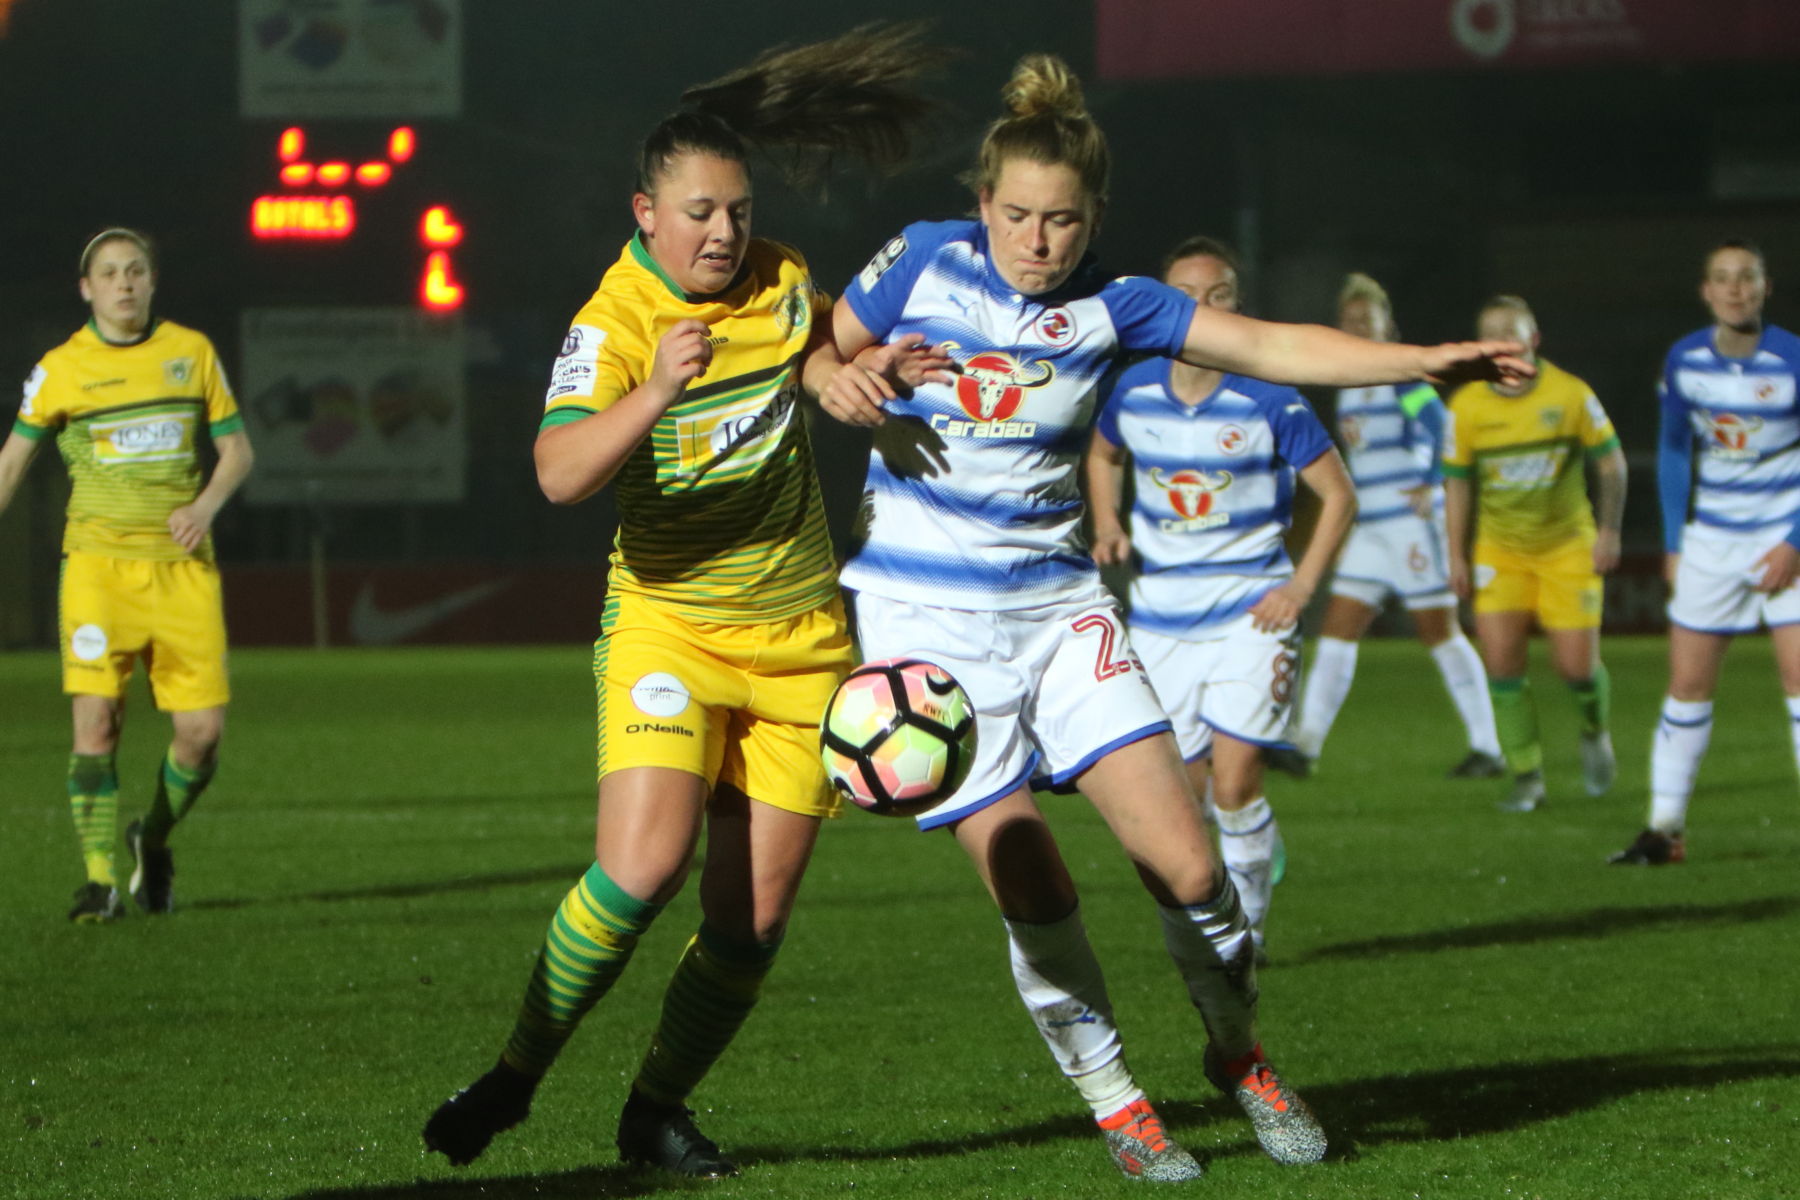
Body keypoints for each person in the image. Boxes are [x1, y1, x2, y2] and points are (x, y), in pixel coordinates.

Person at [821, 54, 1528, 1181]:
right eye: (1015, 215)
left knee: (1194, 873)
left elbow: (1280, 346)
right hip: (924, 635)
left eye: (1061, 220)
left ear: (1094, 217)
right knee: (1035, 886)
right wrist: (829, 378)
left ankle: (1239, 1056)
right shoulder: (917, 261)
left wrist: (1424, 360)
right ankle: (1115, 1101)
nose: (1036, 240)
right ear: (981, 205)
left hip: (1058, 614)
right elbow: (817, 341)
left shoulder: (1123, 306)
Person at [419, 27, 931, 1178]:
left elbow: (812, 340)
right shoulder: (612, 325)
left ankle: (654, 1109)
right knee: (639, 872)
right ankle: (515, 1074)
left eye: (738, 211)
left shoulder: (782, 277)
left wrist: (848, 372)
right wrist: (654, 391)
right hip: (670, 626)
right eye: (700, 212)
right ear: (645, 213)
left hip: (802, 646)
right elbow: (558, 475)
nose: (724, 233)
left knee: (749, 926)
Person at [1085, 236, 1357, 964]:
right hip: (1160, 621)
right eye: (1187, 296)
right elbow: (1102, 452)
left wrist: (1300, 586)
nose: (1202, 310)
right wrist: (1107, 521)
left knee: (1237, 783)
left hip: (1249, 614)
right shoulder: (1134, 388)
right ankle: (1241, 885)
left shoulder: (1270, 397)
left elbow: (1338, 495)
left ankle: (1249, 939)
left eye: (1220, 295)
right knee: (1190, 802)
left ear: (1239, 307)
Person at [0, 228, 254, 923]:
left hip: (182, 573)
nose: (124, 283)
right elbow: (13, 462)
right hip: (97, 570)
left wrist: (204, 506)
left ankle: (154, 836)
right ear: (88, 289)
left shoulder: (190, 352)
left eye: (135, 270)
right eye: (109, 273)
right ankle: (98, 882)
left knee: (201, 736)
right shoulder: (61, 368)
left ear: (151, 280)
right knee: (98, 721)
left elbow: (236, 452)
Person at [1613, 240, 1800, 865]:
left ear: (1765, 287)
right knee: (1688, 683)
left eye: (1746, 278)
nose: (1735, 289)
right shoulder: (1685, 359)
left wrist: (1794, 541)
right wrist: (1673, 542)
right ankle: (1664, 831)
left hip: (1784, 536)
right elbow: (1673, 452)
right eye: (1722, 279)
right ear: (1706, 291)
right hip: (1711, 541)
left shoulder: (1793, 358)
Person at [1277, 273, 1503, 779]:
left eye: (1367, 318)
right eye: (1350, 319)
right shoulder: (1352, 384)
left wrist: (1430, 482)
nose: (1357, 326)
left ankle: (1488, 747)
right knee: (1337, 628)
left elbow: (1440, 427)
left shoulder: (1402, 378)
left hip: (1409, 524)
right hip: (1370, 528)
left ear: (1388, 326)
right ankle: (1306, 745)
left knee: (1437, 631)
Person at [1443, 295, 1626, 813]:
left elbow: (1612, 466)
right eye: (1493, 337)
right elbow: (1457, 486)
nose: (1505, 345)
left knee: (1577, 669)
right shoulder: (1467, 407)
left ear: (1534, 341)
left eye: (1513, 335)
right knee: (1501, 665)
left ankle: (1594, 730)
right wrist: (1455, 554)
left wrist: (1609, 532)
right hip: (1500, 552)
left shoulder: (1570, 395)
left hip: (1567, 548)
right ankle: (1527, 776)